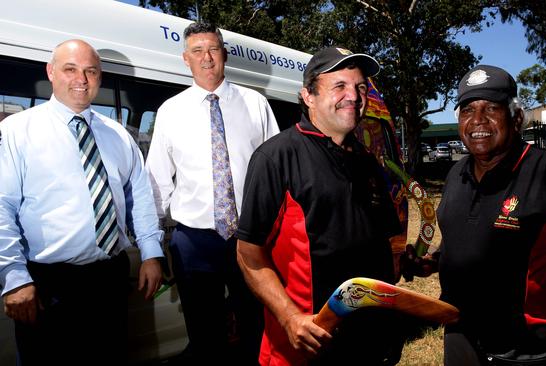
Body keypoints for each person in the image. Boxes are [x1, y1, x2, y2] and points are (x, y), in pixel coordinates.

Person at [405, 64, 546, 365]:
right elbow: (461, 241)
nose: (477, 121)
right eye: (467, 110)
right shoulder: (455, 173)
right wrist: (432, 263)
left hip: (527, 352)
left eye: (491, 108)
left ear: (515, 118)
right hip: (460, 340)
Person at [236, 46, 407, 366]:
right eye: (339, 86)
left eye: (360, 87)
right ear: (308, 96)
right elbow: (248, 255)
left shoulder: (368, 162)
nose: (354, 96)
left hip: (367, 343)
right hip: (305, 346)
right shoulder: (276, 157)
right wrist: (289, 318)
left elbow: (382, 245)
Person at [0, 39, 163, 365]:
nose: (82, 79)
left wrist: (151, 253)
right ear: (51, 72)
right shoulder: (18, 131)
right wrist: (14, 278)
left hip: (108, 280)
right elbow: (2, 207)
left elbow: (139, 197)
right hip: (46, 285)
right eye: (70, 69)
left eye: (91, 71)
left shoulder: (118, 135)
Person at [145, 22, 278, 364]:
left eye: (213, 49)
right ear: (185, 59)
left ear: (224, 55)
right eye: (197, 51)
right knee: (204, 335)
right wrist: (154, 244)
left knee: (256, 326)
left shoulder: (256, 104)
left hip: (250, 236)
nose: (206, 58)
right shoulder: (170, 111)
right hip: (193, 240)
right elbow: (158, 180)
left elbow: (276, 172)